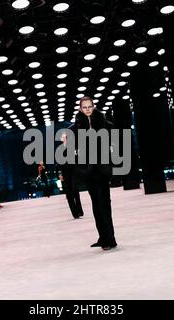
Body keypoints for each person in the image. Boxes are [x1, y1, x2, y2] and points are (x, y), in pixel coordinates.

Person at [71, 96, 117, 251]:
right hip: (89, 171)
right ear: (80, 109)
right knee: (96, 205)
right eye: (84, 107)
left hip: (102, 170)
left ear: (94, 106)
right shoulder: (76, 127)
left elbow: (116, 140)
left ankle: (109, 239)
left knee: (104, 204)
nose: (87, 110)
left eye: (90, 106)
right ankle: (103, 236)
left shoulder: (105, 124)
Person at [57, 133, 84, 219]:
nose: (62, 138)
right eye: (62, 137)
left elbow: (77, 158)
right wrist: (60, 174)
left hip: (73, 171)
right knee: (69, 194)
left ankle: (79, 210)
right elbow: (58, 163)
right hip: (65, 173)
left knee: (75, 191)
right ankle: (74, 213)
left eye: (64, 136)